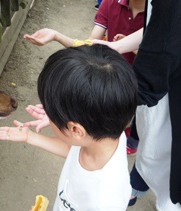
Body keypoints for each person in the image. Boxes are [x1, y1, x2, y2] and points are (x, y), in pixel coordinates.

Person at [0, 45, 138, 211]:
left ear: (75, 130)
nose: (47, 114)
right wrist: (31, 137)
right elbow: (73, 150)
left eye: (51, 114)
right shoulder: (109, 130)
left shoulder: (105, 198)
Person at [94, 0, 181, 211]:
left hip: (167, 89)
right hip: (161, 83)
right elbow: (158, 27)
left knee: (167, 153)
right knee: (149, 142)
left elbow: (150, 79)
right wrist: (115, 47)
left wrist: (94, 107)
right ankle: (136, 186)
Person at [24, 0, 145, 154]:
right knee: (107, 121)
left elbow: (162, 60)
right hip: (107, 77)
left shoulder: (158, 14)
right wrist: (56, 36)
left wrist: (132, 48)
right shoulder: (110, 3)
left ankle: (133, 140)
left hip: (140, 78)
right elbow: (88, 45)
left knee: (139, 112)